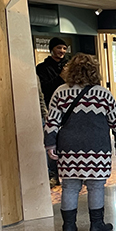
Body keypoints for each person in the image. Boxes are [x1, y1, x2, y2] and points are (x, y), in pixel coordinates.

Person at [44, 53, 116, 231]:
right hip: (97, 148)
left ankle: (69, 227)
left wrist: (50, 144)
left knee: (70, 187)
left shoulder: (60, 92)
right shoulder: (103, 93)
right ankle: (96, 225)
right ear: (95, 71)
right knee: (96, 186)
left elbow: (52, 122)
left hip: (68, 148)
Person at [36, 37, 69, 187]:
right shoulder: (42, 68)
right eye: (59, 48)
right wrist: (60, 77)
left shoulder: (69, 66)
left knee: (68, 140)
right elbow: (45, 89)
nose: (62, 51)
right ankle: (53, 174)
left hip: (68, 108)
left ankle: (69, 173)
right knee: (52, 141)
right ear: (52, 49)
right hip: (51, 108)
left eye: (64, 48)